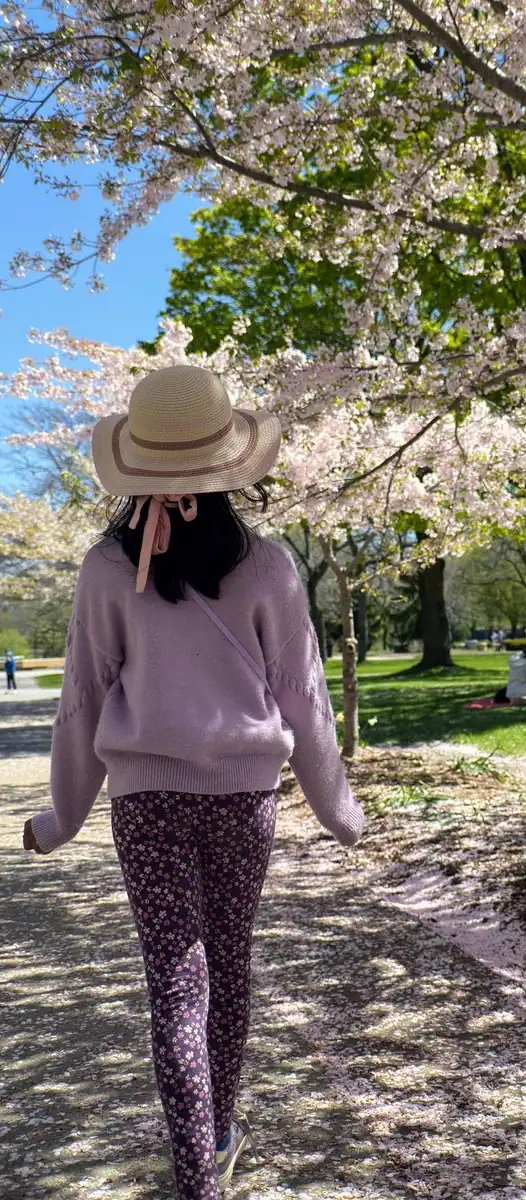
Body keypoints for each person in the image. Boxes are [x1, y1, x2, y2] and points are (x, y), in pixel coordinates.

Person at [21, 364, 366, 1200]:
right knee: (229, 968)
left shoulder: (106, 568)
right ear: (226, 466)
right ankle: (216, 1134)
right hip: (244, 802)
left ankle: (196, 1172)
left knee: (176, 981)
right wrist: (337, 809)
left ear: (136, 464)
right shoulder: (268, 566)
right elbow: (305, 698)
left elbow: (83, 696)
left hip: (145, 806)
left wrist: (63, 814)